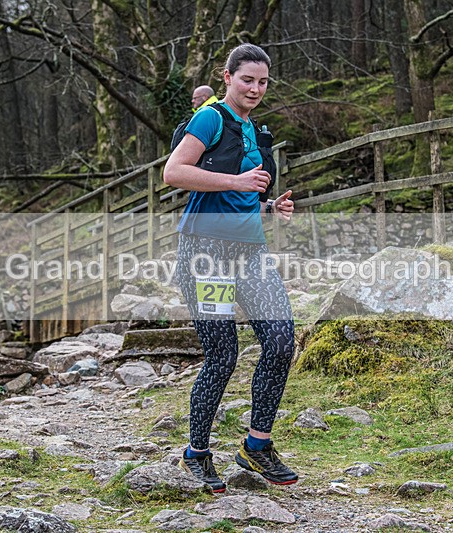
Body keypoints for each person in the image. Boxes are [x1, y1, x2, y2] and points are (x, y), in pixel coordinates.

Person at [164, 43, 298, 493]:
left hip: (250, 254)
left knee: (281, 341)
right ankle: (196, 454)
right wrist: (238, 181)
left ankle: (256, 446)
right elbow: (174, 172)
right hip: (207, 255)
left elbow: (240, 192)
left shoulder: (256, 132)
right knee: (222, 354)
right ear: (227, 77)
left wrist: (268, 204)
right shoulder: (211, 117)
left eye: (263, 82)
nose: (256, 88)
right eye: (247, 80)